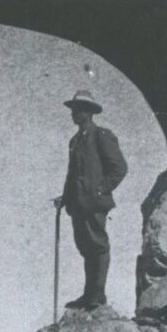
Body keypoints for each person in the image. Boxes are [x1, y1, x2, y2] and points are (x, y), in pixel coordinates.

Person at [54, 89, 128, 311]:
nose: (73, 114)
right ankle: (89, 295)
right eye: (73, 110)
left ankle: (97, 295)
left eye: (77, 110)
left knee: (97, 246)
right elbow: (72, 174)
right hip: (78, 204)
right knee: (86, 248)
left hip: (94, 203)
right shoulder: (75, 141)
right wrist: (65, 197)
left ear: (88, 112)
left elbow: (119, 168)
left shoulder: (101, 136)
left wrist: (100, 190)